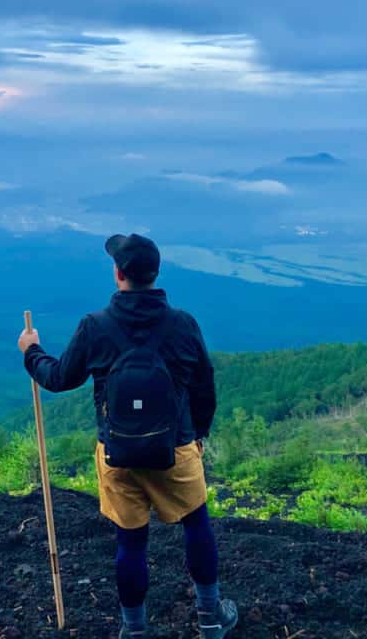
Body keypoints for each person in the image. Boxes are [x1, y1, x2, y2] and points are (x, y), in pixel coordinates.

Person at [18, 233, 238, 639]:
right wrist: (199, 434)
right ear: (156, 274)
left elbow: (59, 378)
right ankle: (211, 616)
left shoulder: (95, 327)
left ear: (118, 274)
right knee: (196, 526)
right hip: (176, 448)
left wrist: (31, 351)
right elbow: (205, 388)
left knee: (131, 544)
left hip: (117, 454)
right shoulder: (183, 324)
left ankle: (134, 631)